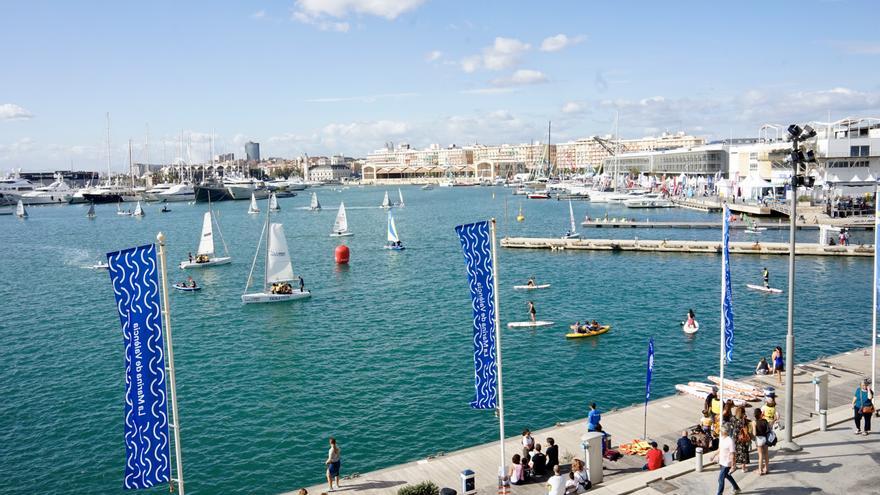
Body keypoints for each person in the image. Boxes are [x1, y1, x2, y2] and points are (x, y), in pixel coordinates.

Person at [712, 428, 741, 495]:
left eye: (721, 431)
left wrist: (733, 465)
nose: (720, 432)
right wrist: (713, 455)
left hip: (727, 463)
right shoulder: (721, 439)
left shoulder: (730, 441)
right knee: (727, 476)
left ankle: (719, 493)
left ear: (724, 432)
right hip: (722, 461)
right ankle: (736, 488)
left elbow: (733, 454)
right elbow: (719, 449)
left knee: (720, 479)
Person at [730, 406, 751, 472]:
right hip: (742, 437)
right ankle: (743, 468)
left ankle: (733, 466)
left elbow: (731, 426)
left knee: (734, 452)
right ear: (742, 413)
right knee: (743, 452)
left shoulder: (733, 418)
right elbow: (746, 427)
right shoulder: (743, 420)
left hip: (735, 437)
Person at [752, 408, 770, 475]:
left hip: (759, 439)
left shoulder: (754, 422)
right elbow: (768, 429)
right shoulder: (765, 421)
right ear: (760, 414)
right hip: (765, 438)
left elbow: (754, 433)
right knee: (766, 454)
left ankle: (760, 470)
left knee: (760, 455)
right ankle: (767, 469)